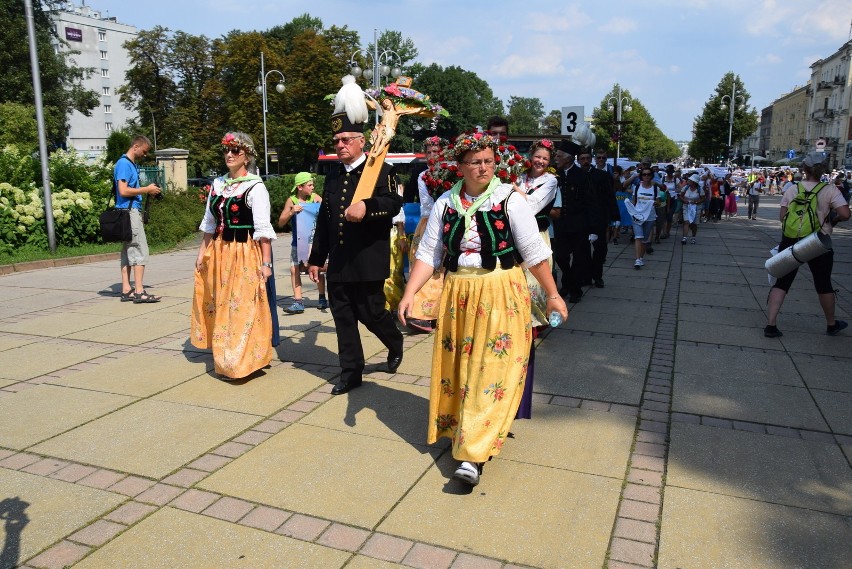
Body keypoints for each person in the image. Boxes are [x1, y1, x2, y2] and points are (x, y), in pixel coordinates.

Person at [397, 132, 568, 486]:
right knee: (461, 366)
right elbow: (429, 255)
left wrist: (553, 294)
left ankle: (472, 455)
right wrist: (409, 293)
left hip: (500, 288)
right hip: (459, 290)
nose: (484, 167)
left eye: (489, 160)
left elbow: (534, 254)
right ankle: (464, 428)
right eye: (475, 161)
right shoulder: (447, 201)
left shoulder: (509, 199)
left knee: (489, 368)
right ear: (459, 166)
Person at [307, 111, 404, 395]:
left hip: (367, 259)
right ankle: (351, 372)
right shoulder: (333, 176)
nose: (340, 145)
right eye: (336, 140)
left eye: (346, 139)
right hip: (339, 260)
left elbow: (394, 202)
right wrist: (316, 258)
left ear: (362, 141)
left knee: (371, 312)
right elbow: (326, 221)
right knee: (343, 316)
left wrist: (367, 206)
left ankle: (394, 340)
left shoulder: (381, 170)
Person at [191, 132, 277, 379]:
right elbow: (209, 222)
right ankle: (225, 355)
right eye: (227, 150)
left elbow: (262, 230)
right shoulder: (218, 184)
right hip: (219, 252)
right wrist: (202, 253)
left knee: (241, 307)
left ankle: (239, 362)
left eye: (236, 151)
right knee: (221, 305)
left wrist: (266, 263)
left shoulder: (255, 187)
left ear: (247, 156)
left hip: (244, 253)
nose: (229, 155)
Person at [765, 152, 850, 338]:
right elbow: (845, 214)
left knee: (782, 282)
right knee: (823, 283)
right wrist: (831, 219)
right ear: (823, 171)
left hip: (791, 240)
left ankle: (771, 325)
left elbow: (782, 217)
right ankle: (831, 324)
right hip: (818, 241)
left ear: (804, 169)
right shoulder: (830, 190)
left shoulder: (792, 189)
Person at [406, 137, 447, 333]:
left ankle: (442, 313)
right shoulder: (422, 175)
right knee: (424, 264)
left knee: (445, 269)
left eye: (436, 152)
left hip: (448, 220)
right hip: (428, 222)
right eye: (429, 152)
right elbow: (426, 203)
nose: (432, 156)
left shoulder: (450, 173)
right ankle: (422, 314)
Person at [114, 135, 162, 303]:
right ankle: (139, 291)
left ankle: (127, 289)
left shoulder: (128, 164)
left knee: (128, 251)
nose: (145, 154)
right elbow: (123, 191)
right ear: (135, 146)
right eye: (144, 151)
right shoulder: (124, 164)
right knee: (139, 249)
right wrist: (146, 189)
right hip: (129, 213)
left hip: (126, 212)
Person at [278, 172, 326, 314]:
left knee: (319, 267)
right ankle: (298, 301)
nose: (313, 187)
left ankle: (322, 298)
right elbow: (281, 222)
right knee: (295, 269)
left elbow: (328, 214)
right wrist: (292, 211)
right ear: (300, 187)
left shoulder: (316, 198)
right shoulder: (292, 200)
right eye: (309, 185)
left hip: (314, 241)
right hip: (298, 243)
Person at [552, 140, 591, 303]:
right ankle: (568, 280)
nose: (556, 158)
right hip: (561, 225)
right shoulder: (555, 175)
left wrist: (592, 227)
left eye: (559, 156)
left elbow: (590, 201)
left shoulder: (582, 175)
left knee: (578, 259)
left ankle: (574, 289)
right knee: (560, 256)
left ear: (568, 159)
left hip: (579, 225)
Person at [578, 147, 619, 288]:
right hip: (582, 219)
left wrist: (615, 215)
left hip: (599, 218)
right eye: (582, 159)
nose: (585, 161)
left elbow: (610, 197)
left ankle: (598, 275)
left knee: (600, 250)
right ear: (578, 160)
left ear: (591, 159)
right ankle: (586, 276)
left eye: (587, 158)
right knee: (583, 251)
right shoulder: (576, 175)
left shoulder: (602, 176)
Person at [627, 167, 658, 269]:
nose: (646, 176)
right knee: (638, 237)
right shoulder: (637, 187)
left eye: (648, 174)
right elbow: (634, 201)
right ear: (641, 176)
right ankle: (637, 259)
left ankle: (641, 257)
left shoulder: (655, 188)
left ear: (651, 176)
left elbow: (659, 202)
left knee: (644, 239)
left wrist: (654, 202)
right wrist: (629, 205)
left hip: (650, 216)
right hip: (638, 216)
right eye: (644, 174)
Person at [680, 174, 704, 244]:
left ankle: (693, 236)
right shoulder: (685, 188)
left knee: (693, 223)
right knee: (686, 221)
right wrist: (684, 201)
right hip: (686, 206)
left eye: (690, 180)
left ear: (694, 182)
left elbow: (703, 198)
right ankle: (684, 237)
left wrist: (696, 202)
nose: (688, 181)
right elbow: (680, 196)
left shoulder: (699, 189)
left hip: (696, 208)